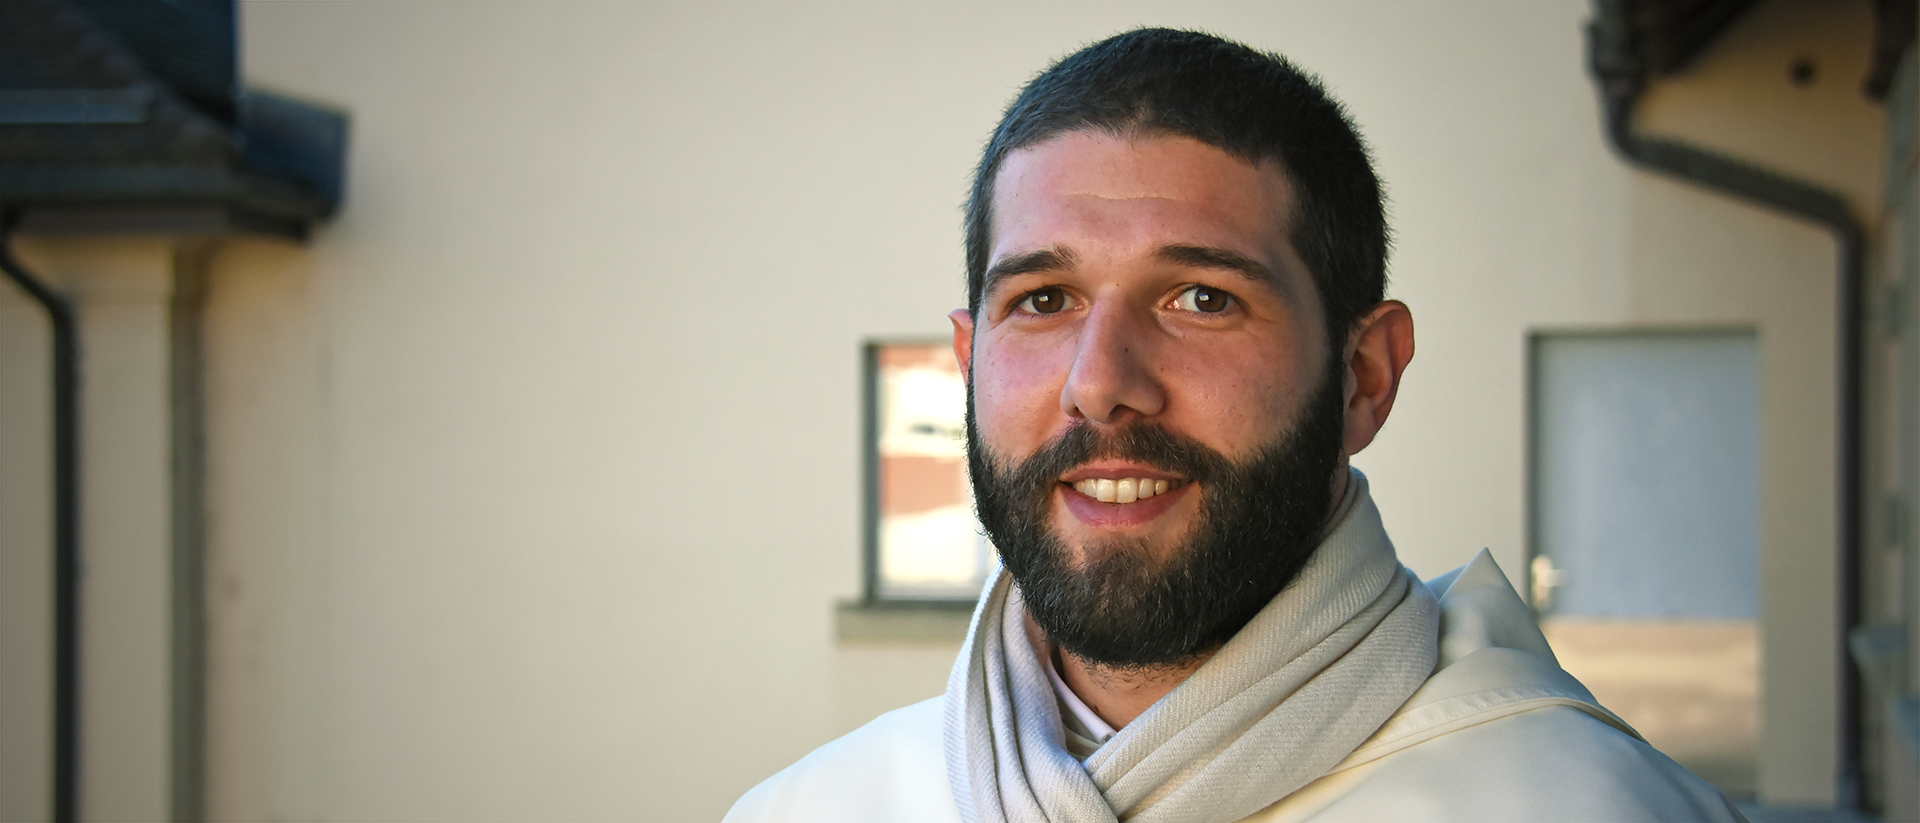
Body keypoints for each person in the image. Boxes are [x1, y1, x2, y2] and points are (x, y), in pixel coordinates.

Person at [727, 28, 1744, 823]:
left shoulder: (1591, 806)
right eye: (1042, 300)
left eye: (1201, 299)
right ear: (969, 359)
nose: (1100, 385)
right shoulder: (807, 808)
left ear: (1363, 375)